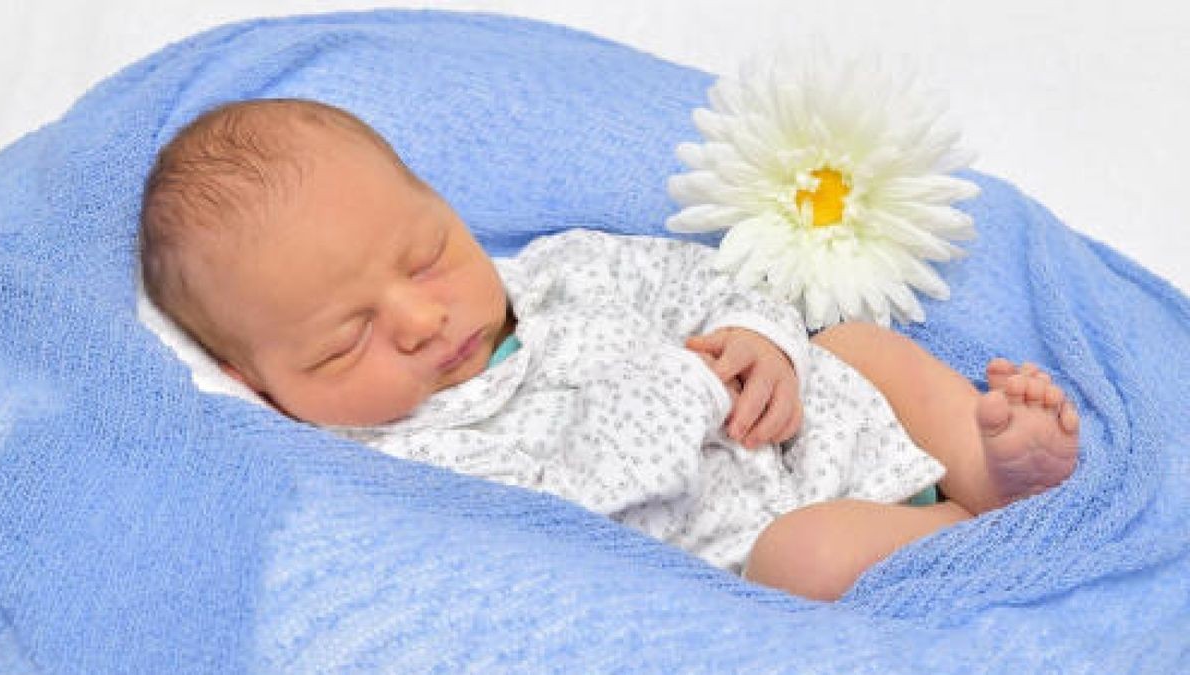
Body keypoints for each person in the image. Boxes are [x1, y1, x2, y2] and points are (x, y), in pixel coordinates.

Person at [138, 98, 1079, 601]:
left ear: (443, 206)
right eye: (347, 341)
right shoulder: (395, 464)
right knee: (805, 557)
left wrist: (765, 343)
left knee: (858, 342)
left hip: (821, 426)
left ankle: (992, 461)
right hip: (774, 536)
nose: (421, 319)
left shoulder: (564, 270)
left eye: (426, 256)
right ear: (256, 386)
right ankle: (968, 529)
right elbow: (555, 535)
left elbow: (711, 282)